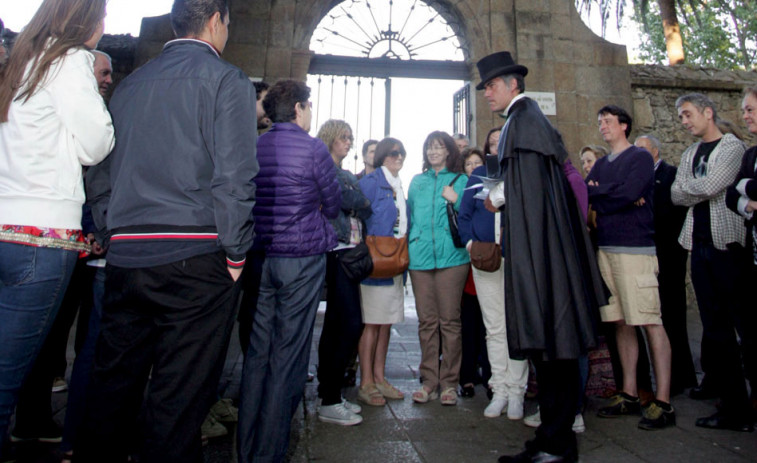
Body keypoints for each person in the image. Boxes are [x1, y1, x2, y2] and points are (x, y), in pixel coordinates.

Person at [78, 1, 259, 461]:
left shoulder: (129, 85)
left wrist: (110, 227)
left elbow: (100, 169)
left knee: (112, 388)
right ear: (217, 21)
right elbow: (235, 175)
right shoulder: (227, 80)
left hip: (127, 256)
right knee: (178, 402)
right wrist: (236, 254)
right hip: (196, 255)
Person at [476, 51, 605, 463]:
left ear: (514, 84)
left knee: (555, 349)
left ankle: (557, 445)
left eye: (493, 85)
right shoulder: (524, 120)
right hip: (544, 251)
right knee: (552, 350)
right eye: (484, 88)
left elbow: (528, 193)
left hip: (543, 256)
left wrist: (496, 197)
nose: (487, 94)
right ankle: (550, 440)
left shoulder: (523, 119)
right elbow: (528, 188)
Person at [0, 0, 113, 453]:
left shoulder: (18, 61)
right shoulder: (68, 60)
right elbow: (97, 143)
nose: (105, 28)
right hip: (42, 237)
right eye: (102, 17)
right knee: (7, 379)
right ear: (87, 22)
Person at [237, 80, 340, 462]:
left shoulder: (256, 144)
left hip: (261, 259)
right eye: (308, 107)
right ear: (298, 108)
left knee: (258, 354)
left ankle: (246, 451)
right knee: (289, 355)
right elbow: (332, 203)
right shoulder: (313, 149)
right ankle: (270, 454)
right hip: (301, 258)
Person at [587, 106, 675, 431]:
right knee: (621, 322)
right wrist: (608, 195)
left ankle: (663, 401)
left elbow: (630, 193)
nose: (603, 127)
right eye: (599, 123)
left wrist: (605, 195)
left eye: (608, 121)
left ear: (624, 125)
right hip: (607, 250)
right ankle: (629, 392)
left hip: (635, 249)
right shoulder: (599, 163)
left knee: (650, 320)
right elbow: (591, 193)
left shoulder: (638, 157)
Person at [671, 93, 752, 432]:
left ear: (708, 112)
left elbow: (716, 184)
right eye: (680, 117)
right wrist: (697, 188)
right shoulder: (690, 152)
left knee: (744, 329)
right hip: (699, 247)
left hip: (728, 248)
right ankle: (734, 408)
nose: (685, 122)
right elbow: (676, 193)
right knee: (715, 331)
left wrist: (695, 188)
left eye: (688, 114)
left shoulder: (732, 148)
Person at [458, 149, 529, 420]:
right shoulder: (478, 174)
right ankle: (499, 388)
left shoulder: (522, 171)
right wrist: (470, 244)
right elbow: (464, 213)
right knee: (494, 326)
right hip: (485, 258)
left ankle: (517, 391)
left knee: (517, 325)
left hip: (516, 258)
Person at [315, 119, 372, 423]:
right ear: (330, 138)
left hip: (350, 253)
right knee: (348, 324)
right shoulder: (322, 168)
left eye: (351, 137)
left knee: (340, 324)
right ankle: (329, 398)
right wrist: (354, 200)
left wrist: (354, 200)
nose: (349, 142)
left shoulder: (348, 173)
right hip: (334, 253)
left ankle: (331, 393)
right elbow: (340, 201)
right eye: (344, 137)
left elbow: (364, 205)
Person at [407, 131, 469, 406]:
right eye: (429, 148)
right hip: (420, 259)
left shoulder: (462, 180)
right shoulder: (417, 182)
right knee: (427, 322)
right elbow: (409, 216)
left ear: (448, 152)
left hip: (452, 259)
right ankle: (429, 380)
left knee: (450, 322)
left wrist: (455, 198)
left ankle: (449, 383)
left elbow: (469, 212)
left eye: (438, 147)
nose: (433, 152)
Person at [634, 134, 697, 396]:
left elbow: (673, 210)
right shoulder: (638, 178)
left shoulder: (670, 175)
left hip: (669, 254)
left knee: (673, 315)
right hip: (649, 253)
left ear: (656, 152)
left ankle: (682, 376)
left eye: (643, 151)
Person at [357, 137, 408, 405]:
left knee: (385, 322)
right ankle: (366, 382)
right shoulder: (370, 183)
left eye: (401, 153)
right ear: (381, 158)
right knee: (372, 324)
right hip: (375, 261)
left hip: (395, 261)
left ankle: (379, 377)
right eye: (392, 154)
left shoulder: (398, 184)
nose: (398, 158)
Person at [725, 86, 757, 416]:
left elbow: (744, 186)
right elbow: (732, 195)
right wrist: (749, 198)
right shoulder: (750, 155)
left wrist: (746, 187)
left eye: (750, 109)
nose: (745, 115)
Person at [456, 148, 492, 400]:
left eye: (477, 162)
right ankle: (466, 376)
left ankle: (492, 376)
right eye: (468, 163)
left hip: (491, 261)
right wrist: (470, 244)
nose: (473, 166)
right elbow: (464, 216)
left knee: (491, 326)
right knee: (468, 325)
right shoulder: (468, 186)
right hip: (470, 264)